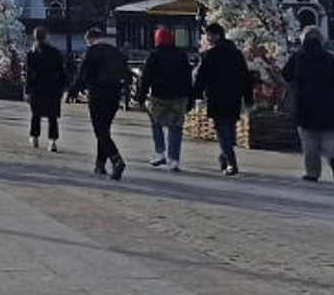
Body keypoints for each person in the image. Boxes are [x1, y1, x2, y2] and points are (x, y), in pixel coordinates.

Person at [283, 24, 334, 183]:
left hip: (304, 104)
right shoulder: (329, 58)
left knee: (309, 141)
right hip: (328, 104)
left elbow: (286, 75)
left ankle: (312, 173)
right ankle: (333, 158)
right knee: (328, 138)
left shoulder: (297, 57)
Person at [191, 21, 255, 176]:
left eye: (209, 35)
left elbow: (201, 77)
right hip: (234, 96)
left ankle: (231, 162)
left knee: (221, 129)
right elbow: (245, 76)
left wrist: (196, 94)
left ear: (216, 36)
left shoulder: (210, 55)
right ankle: (224, 157)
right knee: (230, 128)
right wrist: (248, 97)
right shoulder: (236, 54)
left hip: (217, 96)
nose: (207, 38)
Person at [71, 25, 129, 180]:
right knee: (104, 129)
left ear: (89, 39)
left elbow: (82, 73)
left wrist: (73, 91)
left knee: (100, 130)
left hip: (98, 95)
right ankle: (100, 164)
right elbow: (126, 73)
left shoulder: (92, 51)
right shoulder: (116, 52)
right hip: (114, 95)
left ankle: (116, 159)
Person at [136, 26, 194, 172]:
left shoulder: (154, 56)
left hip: (159, 96)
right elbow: (188, 79)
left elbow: (146, 79)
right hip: (179, 97)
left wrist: (141, 97)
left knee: (156, 123)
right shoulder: (181, 56)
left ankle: (159, 152)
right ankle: (174, 159)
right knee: (176, 127)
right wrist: (191, 99)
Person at [24, 24, 66, 151]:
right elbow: (62, 71)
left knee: (36, 113)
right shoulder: (55, 52)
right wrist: (63, 87)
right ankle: (52, 141)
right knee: (52, 115)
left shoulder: (31, 53)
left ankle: (34, 137)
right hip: (52, 87)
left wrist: (27, 90)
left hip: (37, 87)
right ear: (47, 37)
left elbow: (28, 74)